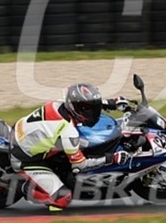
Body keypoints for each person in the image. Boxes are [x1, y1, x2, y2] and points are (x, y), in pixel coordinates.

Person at [9, 82, 131, 212]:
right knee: (62, 199)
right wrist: (110, 159)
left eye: (93, 108)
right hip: (25, 158)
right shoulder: (68, 132)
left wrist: (111, 103)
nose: (92, 113)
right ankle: (19, 186)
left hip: (22, 132)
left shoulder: (61, 104)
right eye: (86, 110)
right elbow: (80, 165)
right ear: (75, 108)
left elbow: (85, 103)